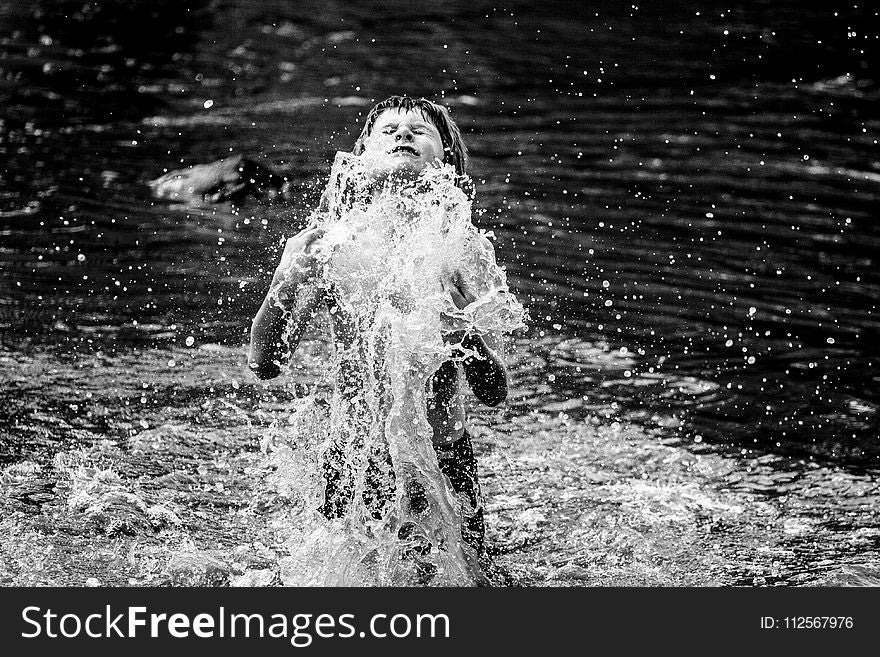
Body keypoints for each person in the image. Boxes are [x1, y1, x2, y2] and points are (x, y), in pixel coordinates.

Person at [248, 96, 521, 573]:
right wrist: (288, 282)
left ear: (447, 158)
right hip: (353, 454)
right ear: (362, 155)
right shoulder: (328, 244)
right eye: (389, 129)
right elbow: (266, 362)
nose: (402, 135)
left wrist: (462, 328)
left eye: (419, 130)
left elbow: (494, 390)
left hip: (442, 455)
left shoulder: (464, 249)